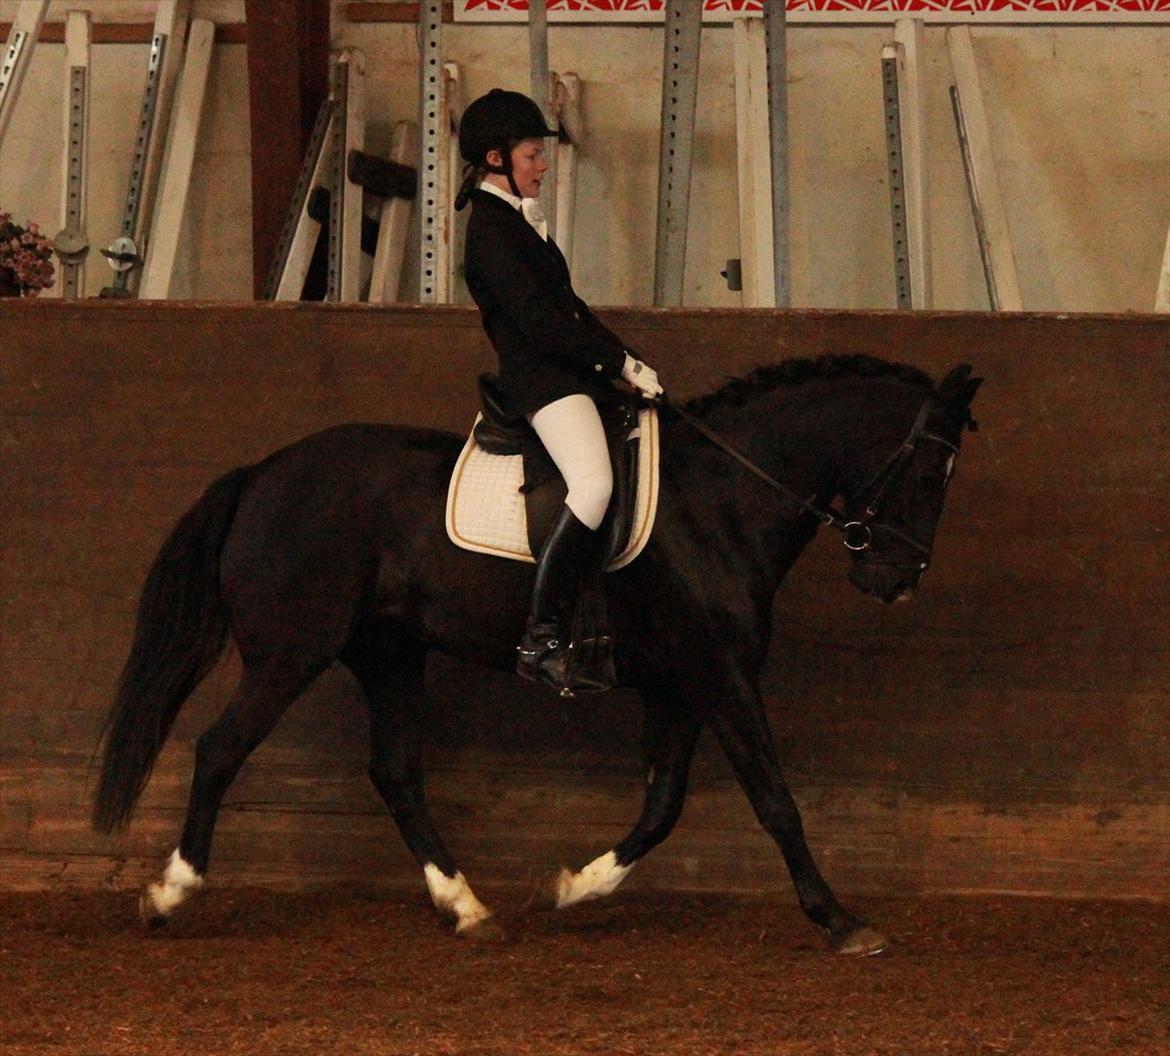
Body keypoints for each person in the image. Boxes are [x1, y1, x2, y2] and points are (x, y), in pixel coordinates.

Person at [455, 88, 663, 694]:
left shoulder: (521, 225)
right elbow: (541, 326)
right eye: (532, 155)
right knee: (594, 483)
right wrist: (612, 361)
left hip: (568, 372)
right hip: (540, 382)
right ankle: (541, 636)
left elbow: (570, 310)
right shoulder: (490, 233)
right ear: (497, 159)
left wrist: (629, 363)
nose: (543, 165)